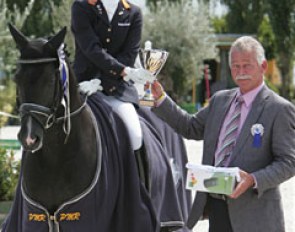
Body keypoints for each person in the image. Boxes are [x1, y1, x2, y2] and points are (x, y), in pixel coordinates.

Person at [150, 36, 295, 232]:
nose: (241, 72)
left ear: (262, 66)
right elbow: (190, 127)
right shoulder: (219, 101)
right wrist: (160, 98)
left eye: (247, 66)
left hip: (256, 216)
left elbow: (288, 162)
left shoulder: (279, 109)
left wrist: (253, 179)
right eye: (236, 66)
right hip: (216, 209)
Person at [71, 0, 153, 151]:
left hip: (117, 88)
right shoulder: (82, 7)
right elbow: (91, 48)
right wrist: (122, 70)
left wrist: (102, 81)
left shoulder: (133, 13)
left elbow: (129, 55)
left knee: (135, 136)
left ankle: (138, 175)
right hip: (81, 85)